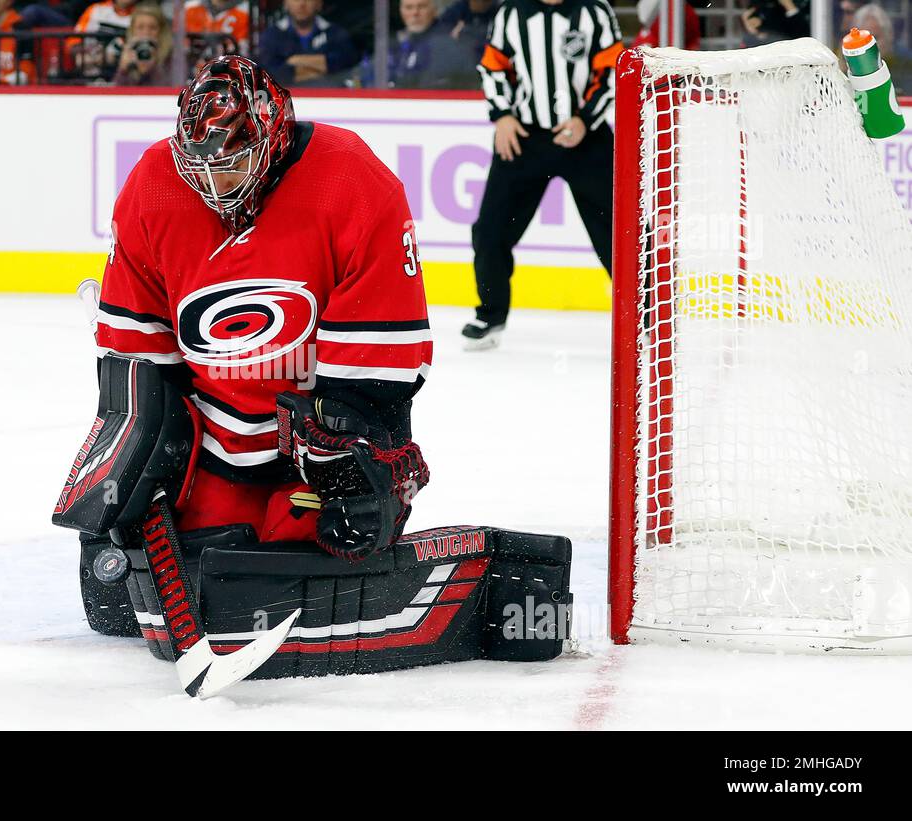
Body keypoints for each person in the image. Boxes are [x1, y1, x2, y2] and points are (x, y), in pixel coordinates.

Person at [58, 56, 573, 676]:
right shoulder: (155, 183)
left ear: (273, 137)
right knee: (152, 576)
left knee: (307, 549)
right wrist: (140, 461)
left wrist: (357, 460)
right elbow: (137, 358)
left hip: (311, 447)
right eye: (203, 168)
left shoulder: (351, 180)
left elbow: (377, 365)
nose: (217, 186)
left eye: (234, 165)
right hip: (213, 444)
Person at [466, 0, 619, 350]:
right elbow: (493, 67)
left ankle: (643, 318)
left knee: (618, 233)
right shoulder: (510, 12)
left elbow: (611, 70)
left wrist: (584, 119)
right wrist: (502, 116)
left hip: (587, 137)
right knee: (490, 230)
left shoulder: (595, 10)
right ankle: (490, 316)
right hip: (524, 136)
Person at [369, 0, 477, 90]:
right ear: (401, 11)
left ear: (435, 10)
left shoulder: (451, 44)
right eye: (409, 7)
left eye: (422, 7)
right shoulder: (393, 45)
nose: (415, 13)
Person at [257, 0, 358, 87]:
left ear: (319, 3)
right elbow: (270, 74)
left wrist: (295, 61)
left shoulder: (335, 33)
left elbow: (345, 65)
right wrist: (321, 68)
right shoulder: (271, 35)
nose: (302, 4)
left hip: (329, 99)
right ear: (286, 3)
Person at [0, 0, 35, 84]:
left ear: (9, 1)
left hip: (14, 93)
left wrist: (0, 82)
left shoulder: (21, 28)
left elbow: (26, 72)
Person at [113, 2, 171, 85]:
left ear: (161, 31)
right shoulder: (126, 52)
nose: (146, 32)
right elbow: (116, 93)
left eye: (152, 28)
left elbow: (171, 91)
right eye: (140, 27)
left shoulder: (172, 56)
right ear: (132, 30)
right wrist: (123, 70)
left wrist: (153, 69)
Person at [740, 0, 809, 47]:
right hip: (765, 45)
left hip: (788, 45)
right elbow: (752, 21)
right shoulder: (760, 4)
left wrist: (790, 7)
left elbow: (804, 35)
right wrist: (749, 24)